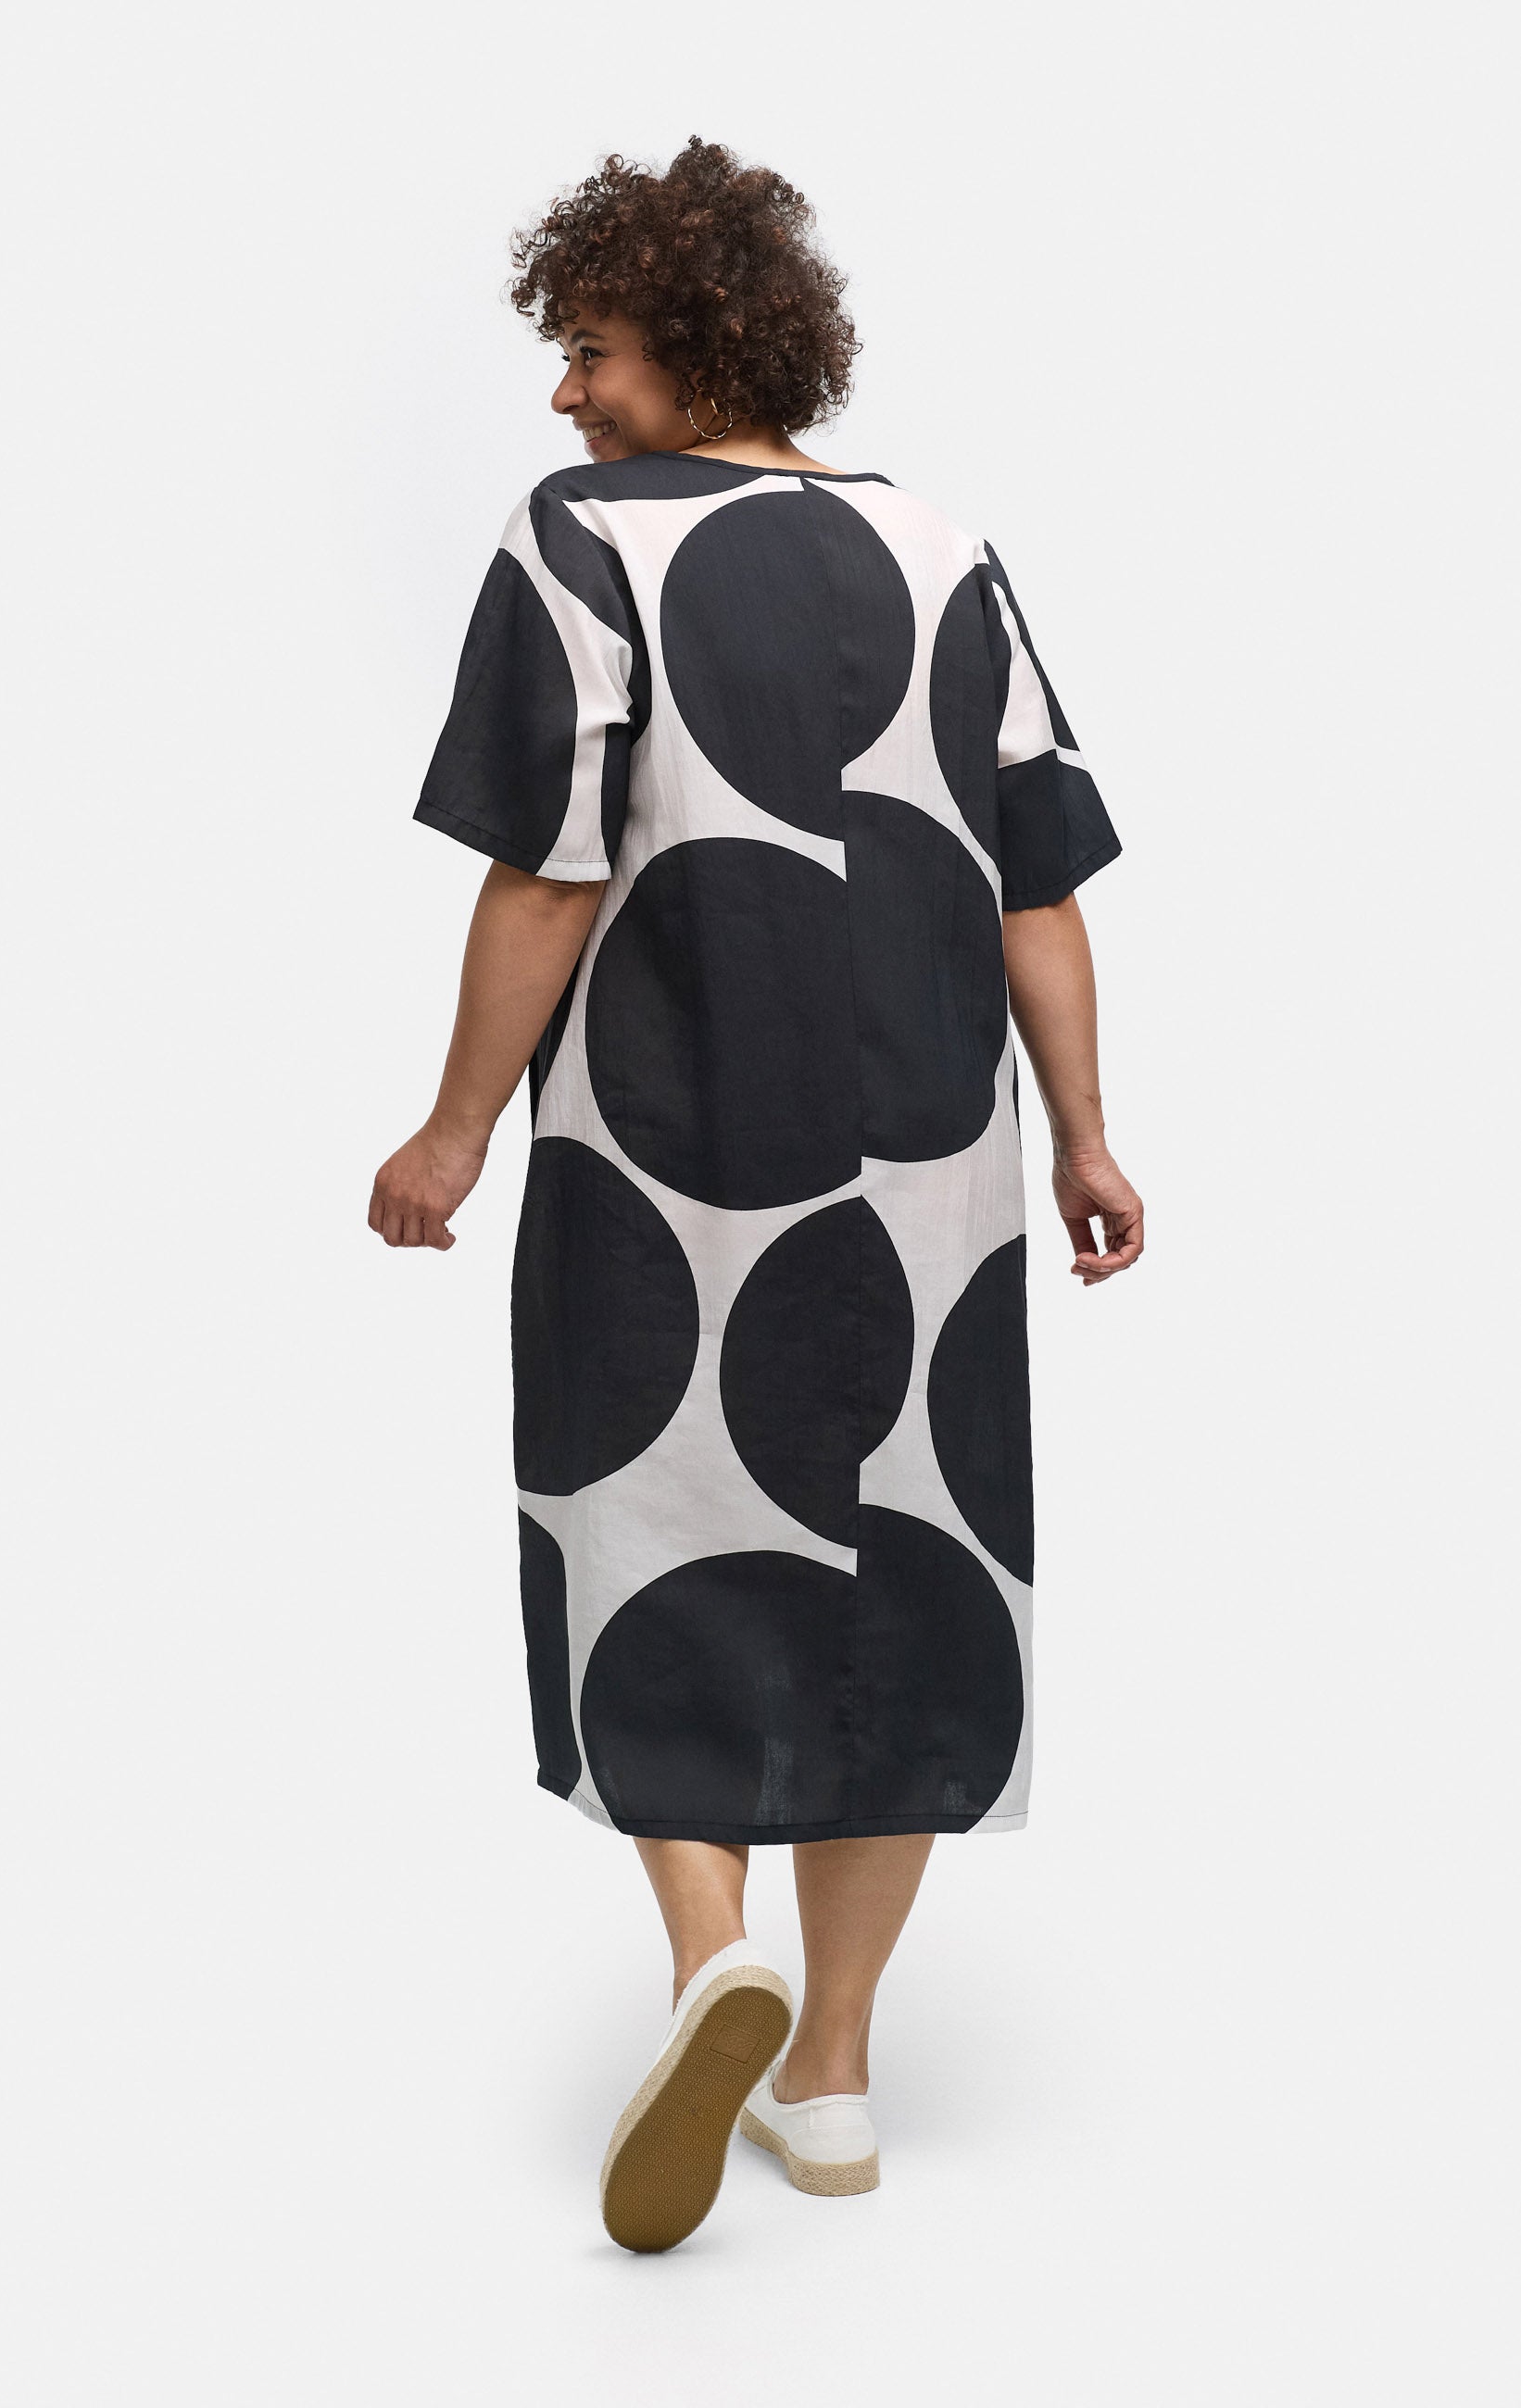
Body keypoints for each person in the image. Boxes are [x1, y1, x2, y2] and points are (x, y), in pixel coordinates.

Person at [369, 137, 1143, 2253]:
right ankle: (835, 2078)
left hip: (669, 1137)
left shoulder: (582, 540)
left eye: (589, 350)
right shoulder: (943, 544)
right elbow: (1039, 883)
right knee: (909, 1556)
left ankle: (718, 1955)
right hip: (936, 1156)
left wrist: (450, 1129)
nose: (564, 395)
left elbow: (547, 871)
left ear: (693, 347)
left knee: (651, 1510)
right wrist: (1085, 1132)